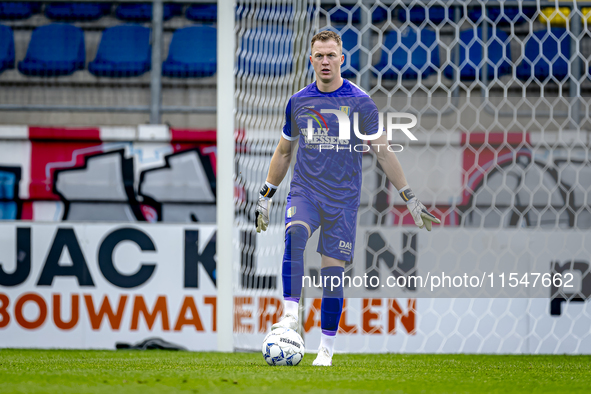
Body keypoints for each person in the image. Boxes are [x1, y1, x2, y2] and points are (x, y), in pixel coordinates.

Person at [255, 30, 440, 366]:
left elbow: (383, 152)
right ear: (310, 60)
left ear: (342, 58)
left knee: (332, 275)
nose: (325, 61)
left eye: (331, 55)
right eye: (319, 56)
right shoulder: (298, 101)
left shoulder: (359, 102)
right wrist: (266, 194)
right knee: (294, 234)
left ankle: (326, 348)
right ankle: (290, 316)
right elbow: (284, 152)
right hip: (306, 191)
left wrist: (410, 198)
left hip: (342, 201)